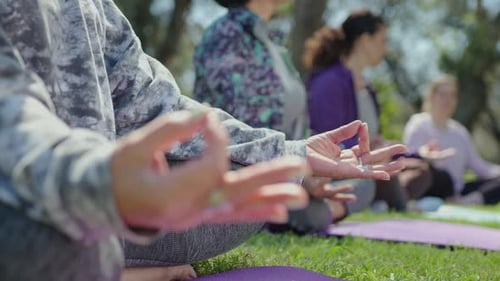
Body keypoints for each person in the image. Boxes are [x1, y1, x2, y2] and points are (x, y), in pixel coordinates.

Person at [0, 1, 407, 281]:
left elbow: (160, 104)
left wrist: (290, 151)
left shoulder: (97, 9)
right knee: (50, 239)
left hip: (107, 193)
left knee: (261, 186)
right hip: (33, 194)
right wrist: (103, 186)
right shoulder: (226, 36)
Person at [193, 0, 377, 230]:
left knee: (364, 179)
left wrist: (319, 167)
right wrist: (300, 173)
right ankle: (312, 214)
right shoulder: (226, 36)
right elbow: (240, 130)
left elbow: (298, 127)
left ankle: (312, 211)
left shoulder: (275, 45)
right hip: (244, 174)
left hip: (287, 169)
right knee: (313, 210)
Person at [304, 9, 423, 211]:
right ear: (365, 40)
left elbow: (372, 136)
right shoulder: (329, 82)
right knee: (382, 178)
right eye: (382, 41)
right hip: (341, 167)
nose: (384, 49)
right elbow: (325, 140)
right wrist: (371, 152)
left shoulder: (368, 89)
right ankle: (386, 199)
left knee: (421, 170)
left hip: (367, 163)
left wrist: (388, 147)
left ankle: (383, 199)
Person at [403, 75, 500, 205]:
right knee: (442, 176)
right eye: (443, 94)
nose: (448, 100)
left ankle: (465, 202)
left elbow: (480, 167)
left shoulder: (460, 132)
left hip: (457, 191)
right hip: (432, 184)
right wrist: (426, 155)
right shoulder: (418, 124)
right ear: (431, 97)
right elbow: (409, 158)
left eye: (452, 95)